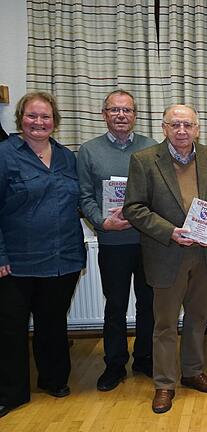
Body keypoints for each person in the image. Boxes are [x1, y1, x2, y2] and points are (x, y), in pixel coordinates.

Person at [123, 104, 207, 414]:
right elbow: (134, 208)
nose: (182, 131)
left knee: (198, 319)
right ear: (164, 128)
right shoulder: (144, 161)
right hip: (166, 253)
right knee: (165, 325)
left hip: (204, 253)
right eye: (175, 125)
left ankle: (193, 372)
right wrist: (170, 232)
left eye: (188, 125)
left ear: (197, 128)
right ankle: (164, 384)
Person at [0, 92, 86, 418]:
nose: (39, 122)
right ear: (20, 118)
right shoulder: (5, 155)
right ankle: (11, 393)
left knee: (53, 324)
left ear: (55, 121)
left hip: (63, 257)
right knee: (11, 330)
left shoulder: (67, 157)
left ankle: (53, 380)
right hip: (16, 262)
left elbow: (79, 200)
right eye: (32, 116)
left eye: (45, 117)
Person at [77, 90, 156, 391]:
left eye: (127, 110)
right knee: (116, 305)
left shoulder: (151, 147)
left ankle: (145, 359)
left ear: (135, 115)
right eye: (115, 110)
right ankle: (114, 364)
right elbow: (84, 196)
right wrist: (102, 222)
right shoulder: (89, 150)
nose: (121, 115)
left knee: (149, 304)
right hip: (112, 242)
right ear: (104, 114)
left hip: (148, 241)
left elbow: (159, 193)